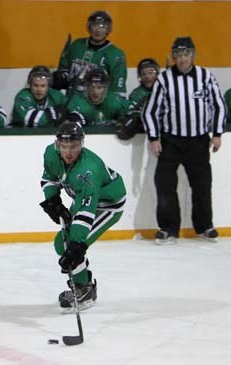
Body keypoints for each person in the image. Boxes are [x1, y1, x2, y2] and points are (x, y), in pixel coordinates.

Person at [142, 37, 226, 244]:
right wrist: (154, 138)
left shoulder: (205, 76)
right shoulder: (165, 79)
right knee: (164, 184)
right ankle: (168, 229)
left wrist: (216, 134)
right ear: (173, 56)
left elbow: (219, 106)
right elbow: (150, 111)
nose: (182, 59)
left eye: (186, 54)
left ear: (193, 55)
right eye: (178, 55)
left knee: (202, 184)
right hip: (171, 141)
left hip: (198, 141)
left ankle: (204, 226)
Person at [39, 113, 126, 310]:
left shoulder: (88, 170)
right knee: (61, 243)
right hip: (83, 198)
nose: (68, 152)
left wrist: (78, 245)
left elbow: (85, 213)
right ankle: (82, 282)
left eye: (74, 147)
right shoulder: (50, 154)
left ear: (82, 144)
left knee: (71, 245)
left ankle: (84, 289)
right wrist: (52, 200)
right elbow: (49, 179)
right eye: (65, 146)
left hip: (107, 204)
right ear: (57, 144)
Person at [53, 10, 127, 99]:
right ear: (89, 27)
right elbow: (64, 73)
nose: (98, 29)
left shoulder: (116, 55)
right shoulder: (76, 45)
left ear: (108, 29)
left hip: (97, 107)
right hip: (71, 103)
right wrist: (59, 78)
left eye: (103, 26)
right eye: (95, 25)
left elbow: (117, 92)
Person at [65, 68, 130, 127]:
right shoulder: (76, 101)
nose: (95, 92)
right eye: (92, 86)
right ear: (86, 87)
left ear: (106, 88)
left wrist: (124, 119)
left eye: (99, 87)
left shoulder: (114, 100)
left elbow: (129, 112)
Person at [116, 58, 160, 140]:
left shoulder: (164, 90)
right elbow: (130, 113)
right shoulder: (137, 94)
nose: (147, 76)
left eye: (150, 73)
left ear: (157, 73)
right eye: (143, 74)